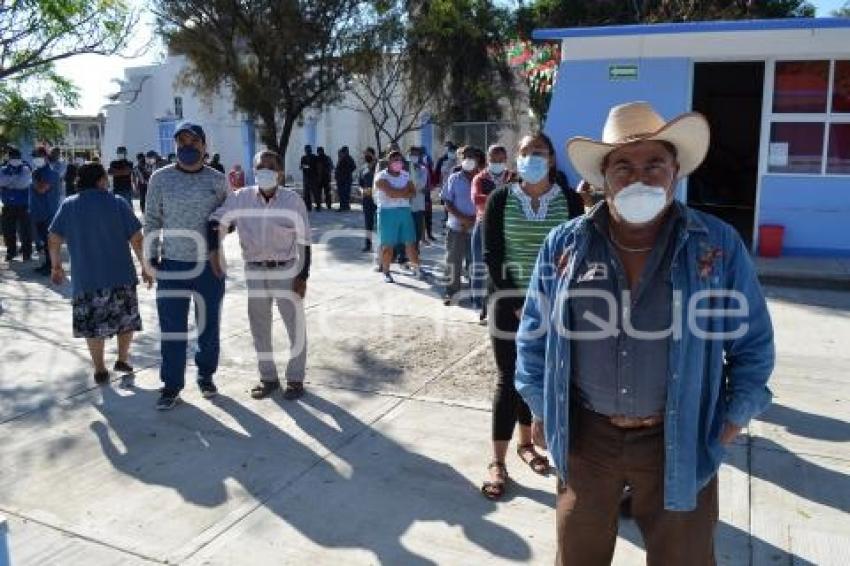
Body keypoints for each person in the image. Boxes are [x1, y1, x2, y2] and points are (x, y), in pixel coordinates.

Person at [515, 102, 775, 565]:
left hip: (680, 436)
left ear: (675, 170)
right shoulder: (565, 245)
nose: (640, 177)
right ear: (603, 178)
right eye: (623, 166)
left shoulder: (716, 246)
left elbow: (753, 343)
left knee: (685, 558)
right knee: (577, 556)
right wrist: (539, 401)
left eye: (654, 163)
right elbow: (533, 336)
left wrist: (733, 419)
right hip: (587, 437)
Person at [479, 132, 575, 500]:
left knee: (543, 376)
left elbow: (575, 252)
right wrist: (518, 303)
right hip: (507, 302)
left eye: (538, 152)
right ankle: (498, 461)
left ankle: (528, 445)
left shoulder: (567, 200)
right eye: (524, 152)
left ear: (551, 159)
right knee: (509, 376)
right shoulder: (501, 198)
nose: (530, 158)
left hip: (556, 307)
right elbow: (492, 254)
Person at [209, 149, 311, 401]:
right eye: (260, 167)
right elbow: (219, 219)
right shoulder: (241, 198)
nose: (265, 171)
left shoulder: (292, 201)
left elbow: (305, 241)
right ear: (253, 171)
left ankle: (296, 379)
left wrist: (303, 276)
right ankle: (268, 378)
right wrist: (217, 236)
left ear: (280, 172)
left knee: (295, 327)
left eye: (270, 166)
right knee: (259, 328)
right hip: (254, 270)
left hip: (286, 270)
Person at [144, 121, 228, 410]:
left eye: (193, 142)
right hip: (172, 266)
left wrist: (218, 239)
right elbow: (152, 219)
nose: (187, 147)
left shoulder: (218, 180)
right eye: (182, 142)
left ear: (204, 146)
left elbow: (230, 219)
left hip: (210, 267)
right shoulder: (160, 178)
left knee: (209, 326)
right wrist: (150, 257)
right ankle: (171, 385)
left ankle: (205, 374)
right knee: (172, 329)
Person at [47, 162, 153, 384]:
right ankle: (122, 359)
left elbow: (54, 238)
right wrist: (145, 266)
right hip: (120, 276)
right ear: (101, 180)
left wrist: (56, 266)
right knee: (126, 321)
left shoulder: (68, 205)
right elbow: (137, 238)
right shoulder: (118, 203)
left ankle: (100, 369)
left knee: (92, 327)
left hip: (86, 280)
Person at [471, 144, 516, 320]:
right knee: (479, 266)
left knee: (501, 268)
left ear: (505, 160)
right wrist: (500, 196)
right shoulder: (479, 178)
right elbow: (476, 199)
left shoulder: (513, 176)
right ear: (488, 160)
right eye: (493, 159)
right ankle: (477, 304)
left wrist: (492, 197)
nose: (497, 162)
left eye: (500, 160)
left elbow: (518, 197)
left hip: (508, 227)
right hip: (484, 225)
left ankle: (498, 303)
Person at [440, 145, 481, 306]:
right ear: (460, 159)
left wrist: (473, 220)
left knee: (475, 262)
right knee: (453, 261)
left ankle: (476, 295)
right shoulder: (454, 178)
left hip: (476, 227)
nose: (468, 159)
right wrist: (462, 218)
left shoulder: (483, 178)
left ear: (477, 159)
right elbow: (447, 202)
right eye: (465, 156)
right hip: (456, 227)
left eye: (471, 155)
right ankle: (451, 293)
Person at [374, 150, 421, 283]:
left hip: (405, 211)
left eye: (400, 160)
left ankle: (417, 268)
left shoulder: (406, 175)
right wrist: (404, 191)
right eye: (395, 160)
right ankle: (386, 271)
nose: (398, 163)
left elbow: (413, 193)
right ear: (388, 162)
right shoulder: (381, 177)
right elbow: (391, 193)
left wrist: (400, 192)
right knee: (388, 245)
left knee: (410, 243)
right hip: (387, 213)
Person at [30, 146, 62, 275]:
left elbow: (41, 189)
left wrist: (34, 180)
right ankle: (48, 264)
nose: (35, 159)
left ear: (45, 157)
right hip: (38, 212)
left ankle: (53, 267)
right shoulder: (37, 172)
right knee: (45, 242)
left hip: (49, 213)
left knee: (51, 242)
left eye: (38, 156)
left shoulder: (52, 173)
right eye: (34, 156)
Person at [0, 146, 33, 262]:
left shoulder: (25, 169)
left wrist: (8, 182)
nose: (15, 159)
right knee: (8, 231)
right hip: (8, 205)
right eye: (13, 157)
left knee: (25, 231)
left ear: (20, 158)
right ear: (9, 158)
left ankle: (27, 252)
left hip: (23, 206)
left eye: (17, 157)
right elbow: (1, 181)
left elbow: (23, 184)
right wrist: (15, 180)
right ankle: (11, 252)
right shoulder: (2, 169)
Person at [408, 146, 430, 252]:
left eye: (416, 155)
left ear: (420, 156)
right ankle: (406, 253)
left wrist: (412, 187)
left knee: (417, 229)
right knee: (407, 230)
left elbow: (421, 184)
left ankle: (416, 250)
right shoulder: (404, 169)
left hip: (418, 204)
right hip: (406, 204)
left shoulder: (423, 169)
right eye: (412, 154)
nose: (414, 157)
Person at [359, 148, 378, 252]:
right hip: (366, 199)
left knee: (379, 223)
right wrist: (362, 190)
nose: (366, 156)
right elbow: (360, 184)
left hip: (377, 199)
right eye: (365, 154)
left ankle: (382, 245)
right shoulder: (363, 168)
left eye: (368, 154)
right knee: (368, 223)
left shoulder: (379, 167)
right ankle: (368, 244)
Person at [334, 146, 357, 211]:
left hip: (346, 179)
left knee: (345, 193)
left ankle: (345, 206)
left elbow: (354, 167)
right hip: (340, 179)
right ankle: (343, 206)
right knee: (341, 193)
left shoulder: (349, 158)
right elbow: (338, 169)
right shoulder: (341, 158)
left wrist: (346, 171)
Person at [300, 145, 321, 211]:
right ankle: (308, 207)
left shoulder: (314, 157)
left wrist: (307, 167)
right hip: (307, 178)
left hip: (313, 177)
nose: (307, 151)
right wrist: (307, 167)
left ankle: (318, 206)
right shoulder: (303, 158)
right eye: (306, 150)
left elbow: (317, 167)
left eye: (308, 150)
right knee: (307, 194)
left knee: (315, 193)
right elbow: (301, 166)